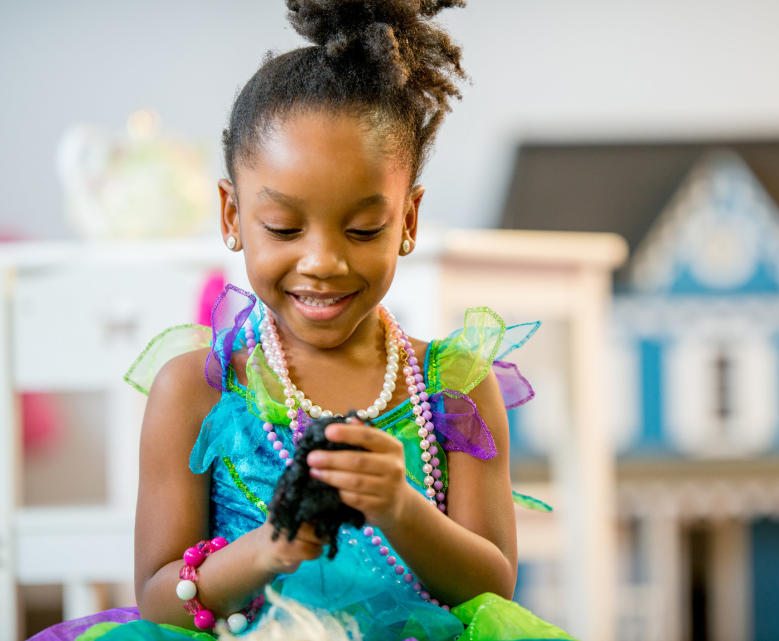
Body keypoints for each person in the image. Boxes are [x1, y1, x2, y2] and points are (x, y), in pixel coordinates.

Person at [31, 2, 574, 640]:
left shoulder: (454, 390)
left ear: (408, 222)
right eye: (284, 228)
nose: (323, 261)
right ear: (232, 217)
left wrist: (400, 509)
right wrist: (270, 549)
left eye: (364, 228)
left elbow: (493, 587)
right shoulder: (196, 392)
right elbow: (159, 598)